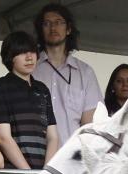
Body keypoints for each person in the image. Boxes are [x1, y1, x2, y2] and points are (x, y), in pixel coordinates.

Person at [0, 31, 59, 170]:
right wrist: (27, 173)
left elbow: (53, 137)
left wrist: (45, 173)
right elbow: (3, 138)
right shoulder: (0, 87)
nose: (29, 57)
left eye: (32, 51)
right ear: (10, 57)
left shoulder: (42, 89)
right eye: (21, 53)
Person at [32, 3, 102, 140]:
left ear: (68, 29)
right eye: (47, 23)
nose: (53, 28)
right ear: (41, 30)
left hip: (72, 156)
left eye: (59, 22)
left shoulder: (85, 72)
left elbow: (90, 124)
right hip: (36, 156)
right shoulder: (30, 69)